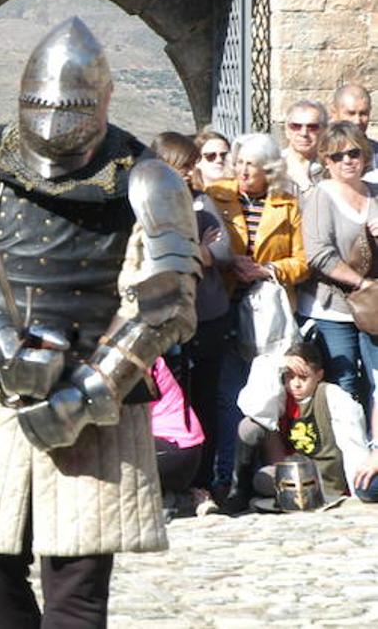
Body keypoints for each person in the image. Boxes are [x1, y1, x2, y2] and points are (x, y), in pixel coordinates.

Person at [0, 17, 200, 627]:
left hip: (98, 397)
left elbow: (167, 302)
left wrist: (92, 389)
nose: (56, 124)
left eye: (72, 108)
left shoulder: (147, 177)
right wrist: (0, 345)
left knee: (78, 586)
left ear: (103, 102)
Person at [204, 132, 309, 498]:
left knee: (265, 394)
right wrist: (231, 263)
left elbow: (303, 261)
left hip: (269, 311)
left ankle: (261, 476)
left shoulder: (286, 205)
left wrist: (268, 270)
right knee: (227, 393)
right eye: (241, 162)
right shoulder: (218, 197)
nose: (244, 170)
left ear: (269, 170)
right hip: (227, 303)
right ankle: (227, 479)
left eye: (253, 164)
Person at [149, 131, 233, 502]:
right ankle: (169, 482)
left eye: (191, 165)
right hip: (165, 318)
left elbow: (224, 252)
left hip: (208, 315)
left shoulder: (203, 203)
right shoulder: (147, 205)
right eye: (183, 165)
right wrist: (196, 248)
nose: (190, 172)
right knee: (169, 402)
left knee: (206, 399)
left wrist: (182, 250)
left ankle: (203, 483)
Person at [225, 341, 368, 511]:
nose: (296, 384)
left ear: (319, 375)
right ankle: (239, 494)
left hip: (323, 478)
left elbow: (353, 445)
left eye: (303, 377)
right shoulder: (279, 396)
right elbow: (254, 408)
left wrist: (357, 490)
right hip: (288, 471)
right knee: (249, 428)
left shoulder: (332, 397)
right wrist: (279, 362)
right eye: (290, 377)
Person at [298, 122, 378, 407]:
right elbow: (319, 254)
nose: (347, 161)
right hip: (333, 308)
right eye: (337, 156)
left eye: (353, 153)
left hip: (374, 308)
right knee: (344, 386)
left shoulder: (375, 192)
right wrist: (361, 283)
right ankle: (346, 450)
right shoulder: (321, 196)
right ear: (326, 161)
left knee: (377, 383)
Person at [148, 357, 206, 521]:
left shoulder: (138, 360)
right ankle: (176, 496)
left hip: (176, 449)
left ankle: (181, 501)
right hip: (181, 449)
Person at [283, 99, 328, 195]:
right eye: (296, 126)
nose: (304, 133)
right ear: (286, 130)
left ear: (324, 131)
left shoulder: (332, 167)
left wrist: (305, 184)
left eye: (312, 127)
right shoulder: (272, 165)